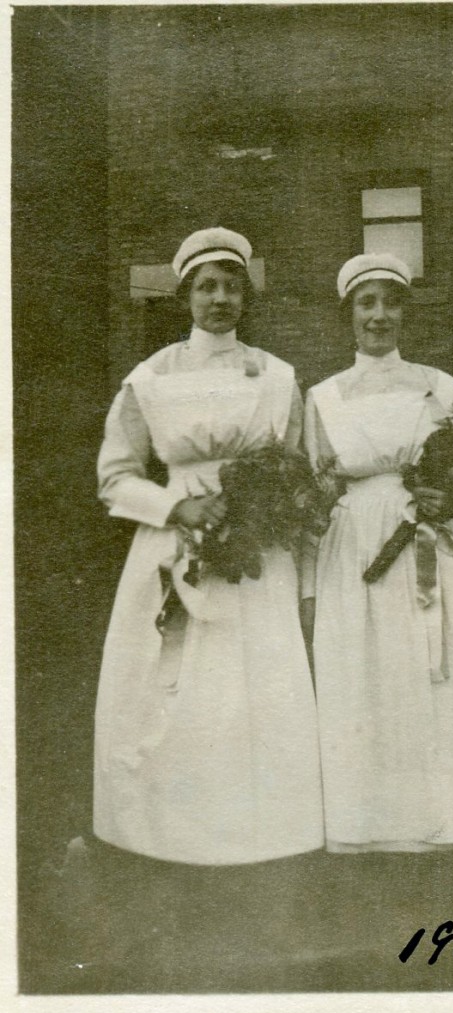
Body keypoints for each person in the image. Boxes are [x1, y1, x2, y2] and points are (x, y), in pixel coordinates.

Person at [93, 227, 324, 865]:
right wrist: (177, 506)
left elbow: (297, 470)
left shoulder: (278, 377)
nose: (219, 299)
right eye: (207, 287)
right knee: (179, 682)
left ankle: (265, 834)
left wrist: (264, 511)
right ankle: (168, 834)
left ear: (246, 296)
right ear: (187, 295)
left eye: (231, 286)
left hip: (256, 554)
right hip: (174, 548)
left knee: (253, 683)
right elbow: (114, 478)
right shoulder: (151, 376)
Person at [301, 252, 453, 854]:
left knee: (437, 668)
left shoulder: (440, 387)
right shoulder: (322, 398)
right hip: (354, 551)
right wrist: (310, 586)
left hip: (428, 542)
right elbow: (315, 493)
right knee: (366, 674)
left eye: (390, 302)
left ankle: (448, 818)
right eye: (366, 303)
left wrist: (449, 496)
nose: (379, 315)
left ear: (405, 312)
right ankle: (368, 824)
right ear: (348, 315)